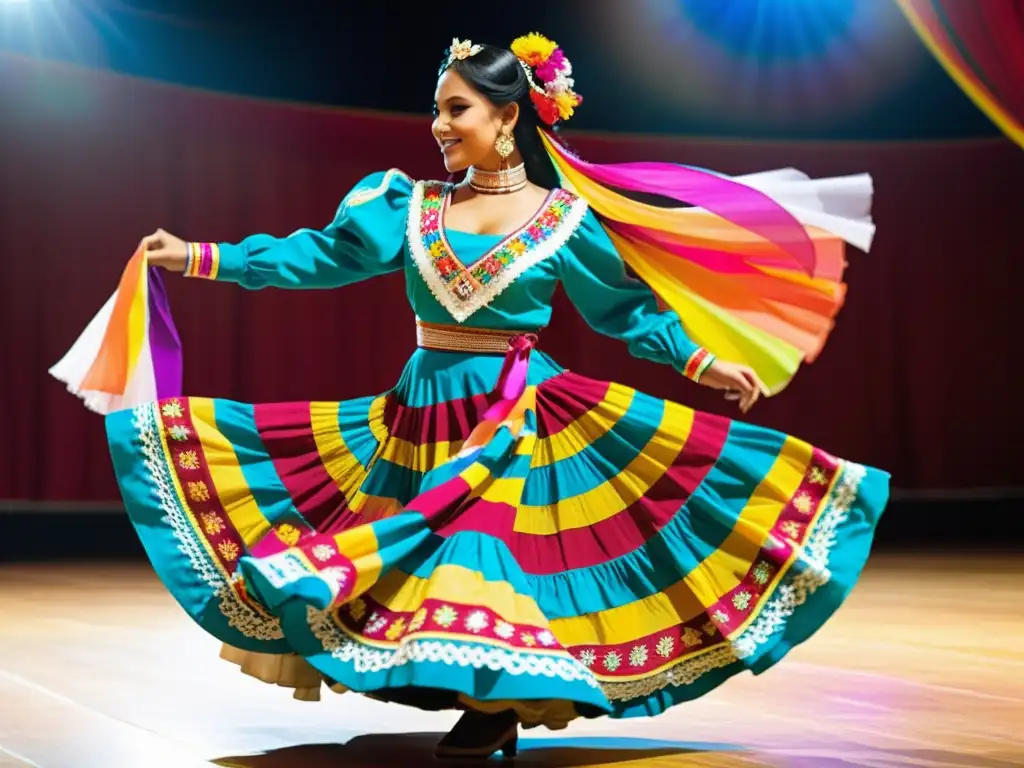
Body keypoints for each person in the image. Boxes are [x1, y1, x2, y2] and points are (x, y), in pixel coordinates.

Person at [96, 34, 887, 760]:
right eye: (436, 111)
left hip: (516, 419)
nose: (439, 126)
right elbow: (320, 258)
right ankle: (465, 694)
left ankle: (495, 706)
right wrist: (201, 256)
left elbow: (626, 313)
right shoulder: (410, 207)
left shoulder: (564, 220)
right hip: (419, 415)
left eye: (455, 109)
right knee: (405, 556)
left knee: (491, 556)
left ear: (507, 117)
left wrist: (699, 359)